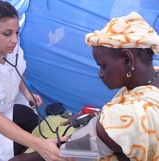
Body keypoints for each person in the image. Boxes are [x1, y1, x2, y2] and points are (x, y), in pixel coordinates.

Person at [0, 1, 74, 161]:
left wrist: (26, 92)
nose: (14, 40)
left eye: (17, 32)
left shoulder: (10, 48)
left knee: (42, 130)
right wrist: (40, 146)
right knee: (29, 151)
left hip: (9, 107)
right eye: (7, 33)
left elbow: (16, 71)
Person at [60, 12, 159, 161]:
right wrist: (95, 117)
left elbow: (70, 151)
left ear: (127, 59)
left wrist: (32, 156)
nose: (100, 74)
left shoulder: (133, 115)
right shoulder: (153, 75)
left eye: (103, 66)